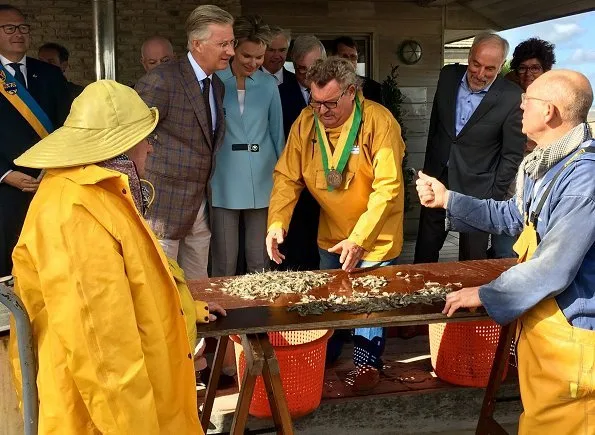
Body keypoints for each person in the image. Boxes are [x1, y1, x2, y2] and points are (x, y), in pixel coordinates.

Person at [9, 80, 226, 434]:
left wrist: (184, 308)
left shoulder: (104, 192)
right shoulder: (73, 212)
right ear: (119, 148)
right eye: (146, 139)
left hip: (140, 402)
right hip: (103, 417)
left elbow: (144, 276)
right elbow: (104, 354)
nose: (151, 149)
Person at [417, 69, 594, 434]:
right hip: (543, 321)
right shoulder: (545, 162)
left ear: (549, 112)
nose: (519, 107)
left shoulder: (583, 179)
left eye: (526, 100)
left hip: (572, 334)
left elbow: (553, 268)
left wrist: (485, 292)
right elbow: (513, 216)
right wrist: (448, 199)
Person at [267, 57, 406, 391]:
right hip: (332, 231)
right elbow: (288, 177)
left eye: (330, 102)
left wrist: (359, 239)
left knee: (367, 303)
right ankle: (326, 358)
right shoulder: (306, 121)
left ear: (351, 92)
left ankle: (366, 366)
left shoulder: (378, 121)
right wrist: (276, 222)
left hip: (375, 233)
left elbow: (387, 188)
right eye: (316, 102)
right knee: (330, 300)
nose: (323, 110)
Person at [135, 5, 234, 279]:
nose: (231, 51)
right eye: (223, 44)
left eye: (231, 42)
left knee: (197, 292)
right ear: (197, 44)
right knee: (162, 292)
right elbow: (131, 139)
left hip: (200, 208)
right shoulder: (160, 80)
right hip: (162, 209)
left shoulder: (217, 85)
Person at [414, 32, 525, 263]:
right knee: (424, 254)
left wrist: (494, 194)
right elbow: (435, 128)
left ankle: (468, 300)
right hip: (437, 180)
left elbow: (512, 154)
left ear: (501, 66)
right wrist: (427, 172)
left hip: (479, 191)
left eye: (490, 69)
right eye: (476, 64)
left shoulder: (511, 97)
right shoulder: (447, 76)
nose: (480, 74)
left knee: (472, 261)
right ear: (469, 55)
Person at [0, 4, 70, 278]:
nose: (18, 34)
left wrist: (53, 168)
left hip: (49, 182)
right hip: (6, 188)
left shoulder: (49, 74)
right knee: (10, 264)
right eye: (9, 28)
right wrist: (5, 174)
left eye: (23, 28)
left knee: (50, 260)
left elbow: (67, 126)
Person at [210, 15, 284, 277]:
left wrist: (283, 177)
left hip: (264, 177)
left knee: (259, 260)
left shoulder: (269, 85)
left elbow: (277, 134)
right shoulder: (214, 82)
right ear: (232, 50)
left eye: (259, 57)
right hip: (223, 177)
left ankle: (260, 313)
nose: (254, 63)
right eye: (247, 56)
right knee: (224, 261)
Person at [490, 37, 556, 259]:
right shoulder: (507, 93)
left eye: (535, 68)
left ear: (546, 68)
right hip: (510, 173)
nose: (528, 74)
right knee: (506, 240)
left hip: (546, 172)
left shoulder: (558, 95)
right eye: (523, 68)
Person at [276, 35, 326, 271]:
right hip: (295, 182)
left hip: (330, 185)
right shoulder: (279, 92)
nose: (306, 75)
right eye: (300, 69)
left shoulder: (341, 95)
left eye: (312, 68)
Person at [331, 35, 383, 104]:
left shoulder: (373, 88)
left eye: (353, 57)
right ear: (334, 58)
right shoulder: (324, 85)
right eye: (344, 56)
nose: (349, 61)